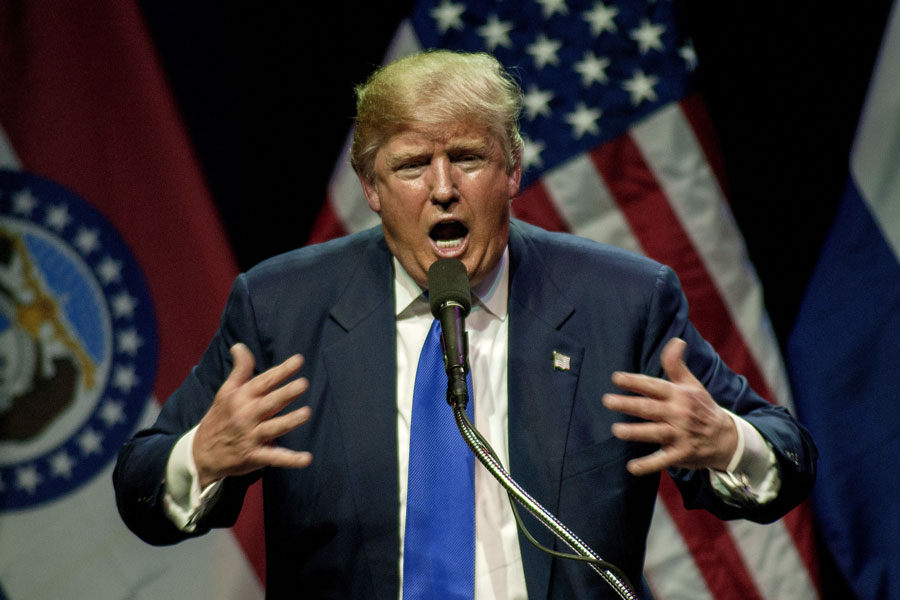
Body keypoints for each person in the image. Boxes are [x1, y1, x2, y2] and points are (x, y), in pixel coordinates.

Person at [113, 50, 816, 599]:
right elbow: (142, 484)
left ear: (511, 171)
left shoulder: (621, 302)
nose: (443, 187)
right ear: (372, 189)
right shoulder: (283, 307)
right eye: (413, 164)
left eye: (469, 158)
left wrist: (727, 441)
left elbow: (785, 455)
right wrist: (201, 455)